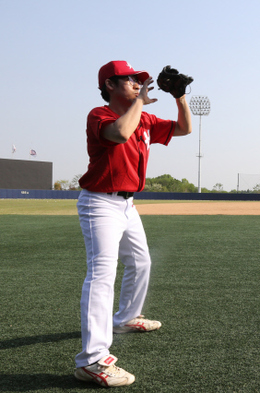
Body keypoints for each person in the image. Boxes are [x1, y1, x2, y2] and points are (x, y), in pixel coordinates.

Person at [74, 61, 192, 387]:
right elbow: (121, 132)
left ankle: (126, 318)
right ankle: (92, 360)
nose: (138, 85)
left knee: (142, 262)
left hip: (127, 204)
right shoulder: (100, 115)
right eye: (131, 80)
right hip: (99, 202)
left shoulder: (146, 120)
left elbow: (184, 129)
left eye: (139, 82)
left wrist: (179, 96)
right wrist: (141, 102)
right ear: (110, 85)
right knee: (102, 275)